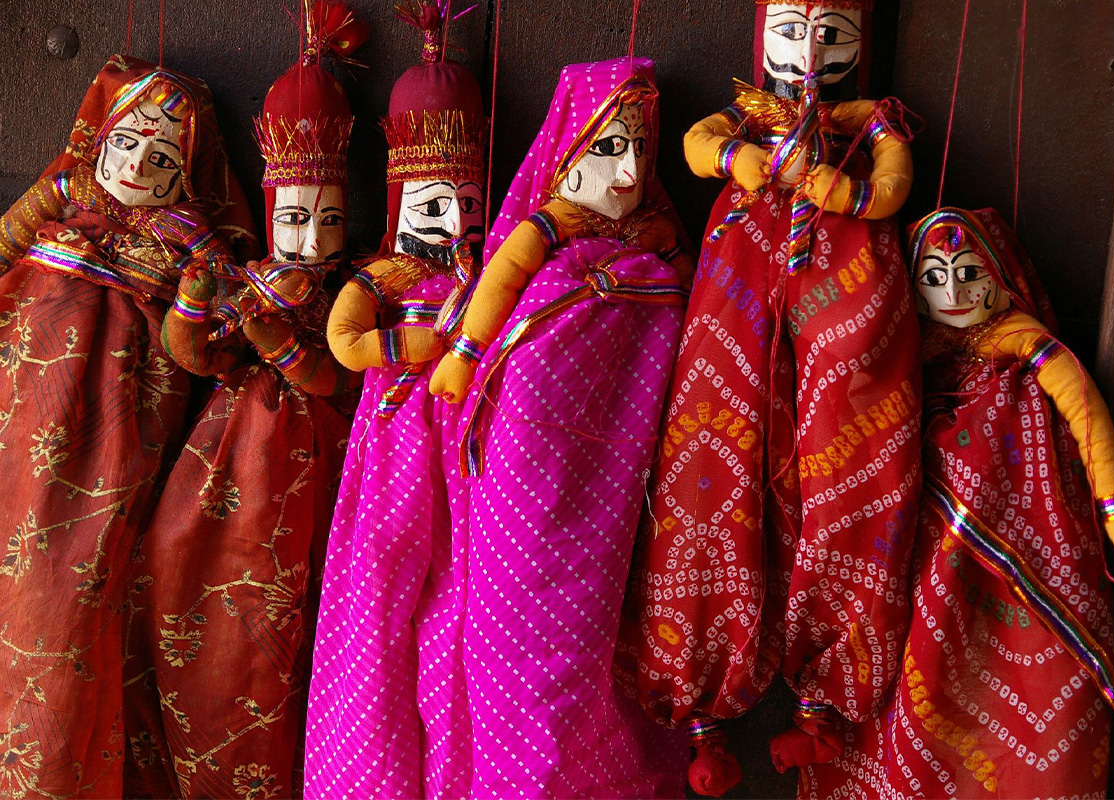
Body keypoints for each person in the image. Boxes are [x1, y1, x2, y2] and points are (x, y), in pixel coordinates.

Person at [618, 1, 922, 794]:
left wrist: (843, 191)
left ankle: (828, 686)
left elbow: (892, 186)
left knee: (850, 450)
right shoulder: (750, 114)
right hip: (741, 268)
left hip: (850, 273)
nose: (810, 50)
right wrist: (740, 160)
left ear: (859, 43)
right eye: (791, 31)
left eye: (832, 35)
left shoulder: (871, 122)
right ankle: (701, 691)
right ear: (763, 36)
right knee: (713, 441)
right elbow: (698, 144)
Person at [808, 207, 1114, 798]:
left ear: (1000, 275)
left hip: (1023, 555)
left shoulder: (1025, 344)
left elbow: (1082, 408)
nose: (954, 293)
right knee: (920, 665)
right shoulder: (905, 355)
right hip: (919, 553)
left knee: (1020, 671)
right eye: (934, 279)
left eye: (969, 273)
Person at [428, 57, 693, 798]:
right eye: (606, 148)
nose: (627, 170)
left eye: (639, 148)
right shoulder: (549, 228)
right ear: (567, 149)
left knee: (600, 627)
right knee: (518, 617)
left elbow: (698, 298)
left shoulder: (656, 236)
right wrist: (464, 355)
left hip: (628, 457)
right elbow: (501, 282)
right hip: (532, 443)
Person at [121, 6, 365, 797]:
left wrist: (282, 344)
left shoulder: (358, 289)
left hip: (327, 458)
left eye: (329, 220)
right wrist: (196, 300)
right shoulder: (247, 279)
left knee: (314, 618)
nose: (312, 240)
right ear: (267, 214)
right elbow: (193, 356)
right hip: (228, 462)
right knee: (180, 579)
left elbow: (338, 378)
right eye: (294, 218)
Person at [0, 54, 256, 798]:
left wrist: (200, 284)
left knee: (70, 599)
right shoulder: (63, 195)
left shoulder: (187, 241)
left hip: (114, 432)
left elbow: (206, 343)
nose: (139, 165)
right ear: (101, 139)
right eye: (128, 142)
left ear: (189, 176)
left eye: (164, 159)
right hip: (20, 404)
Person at [304, 4, 486, 795]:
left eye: (468, 205)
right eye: (433, 205)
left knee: (460, 599)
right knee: (378, 586)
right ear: (401, 198)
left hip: (468, 436)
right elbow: (346, 342)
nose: (454, 223)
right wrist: (410, 348)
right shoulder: (385, 277)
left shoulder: (485, 273)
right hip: (395, 441)